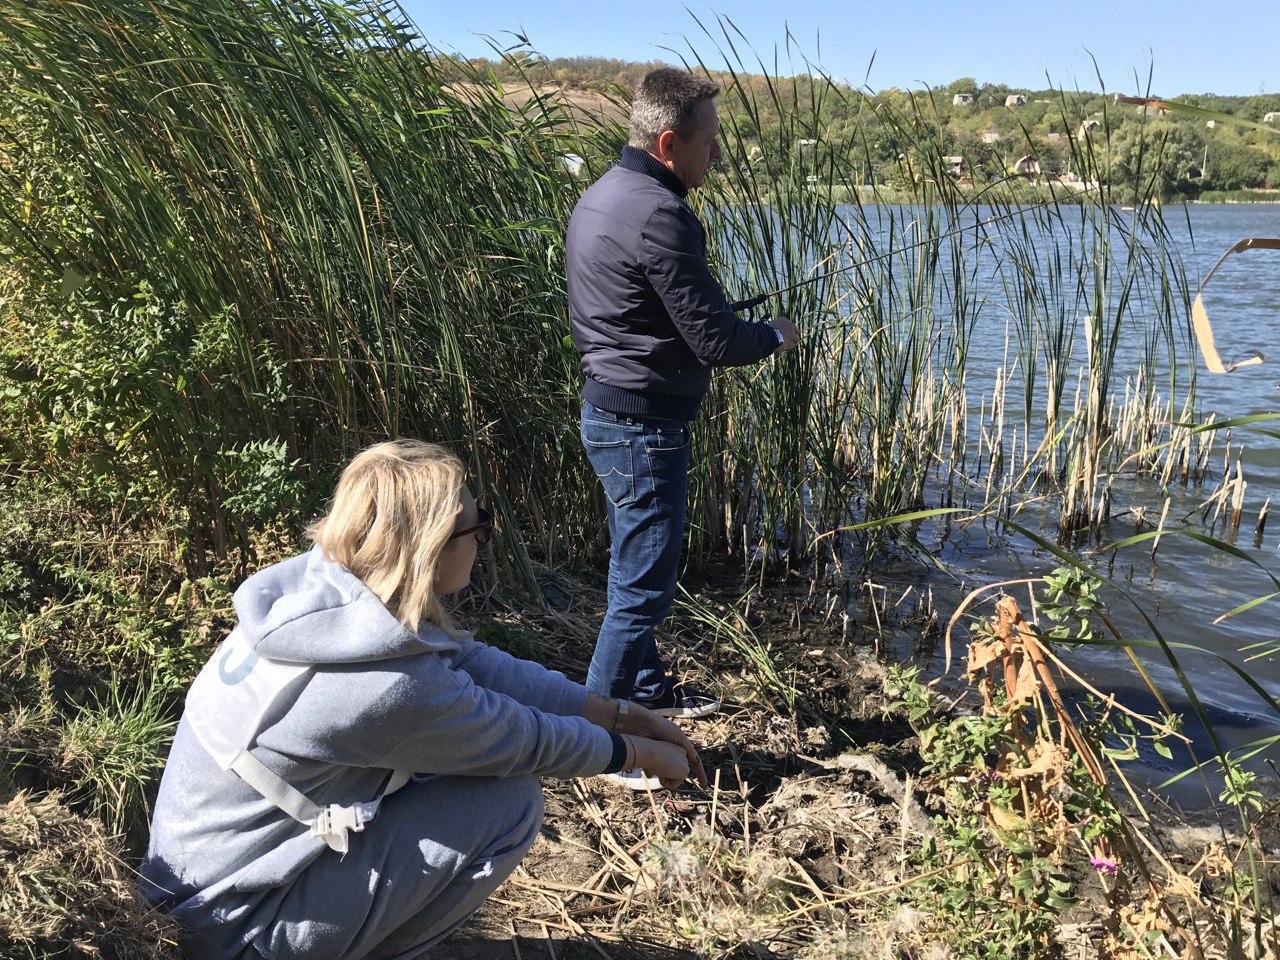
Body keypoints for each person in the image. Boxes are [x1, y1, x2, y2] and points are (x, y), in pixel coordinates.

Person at [139, 440, 708, 960]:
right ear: (430, 548)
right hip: (229, 931)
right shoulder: (383, 689)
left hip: (197, 890)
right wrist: (633, 754)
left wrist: (617, 712)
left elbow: (470, 661)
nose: (485, 539)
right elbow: (520, 741)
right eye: (477, 526)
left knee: (451, 778)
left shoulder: (318, 597)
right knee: (507, 805)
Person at [566, 67, 799, 787]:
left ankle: (645, 693)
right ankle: (595, 740)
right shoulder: (661, 213)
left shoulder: (605, 194)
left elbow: (654, 313)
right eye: (710, 143)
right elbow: (716, 342)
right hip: (641, 428)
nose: (717, 156)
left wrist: (727, 319)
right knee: (643, 589)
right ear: (669, 142)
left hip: (611, 413)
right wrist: (773, 335)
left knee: (633, 568)